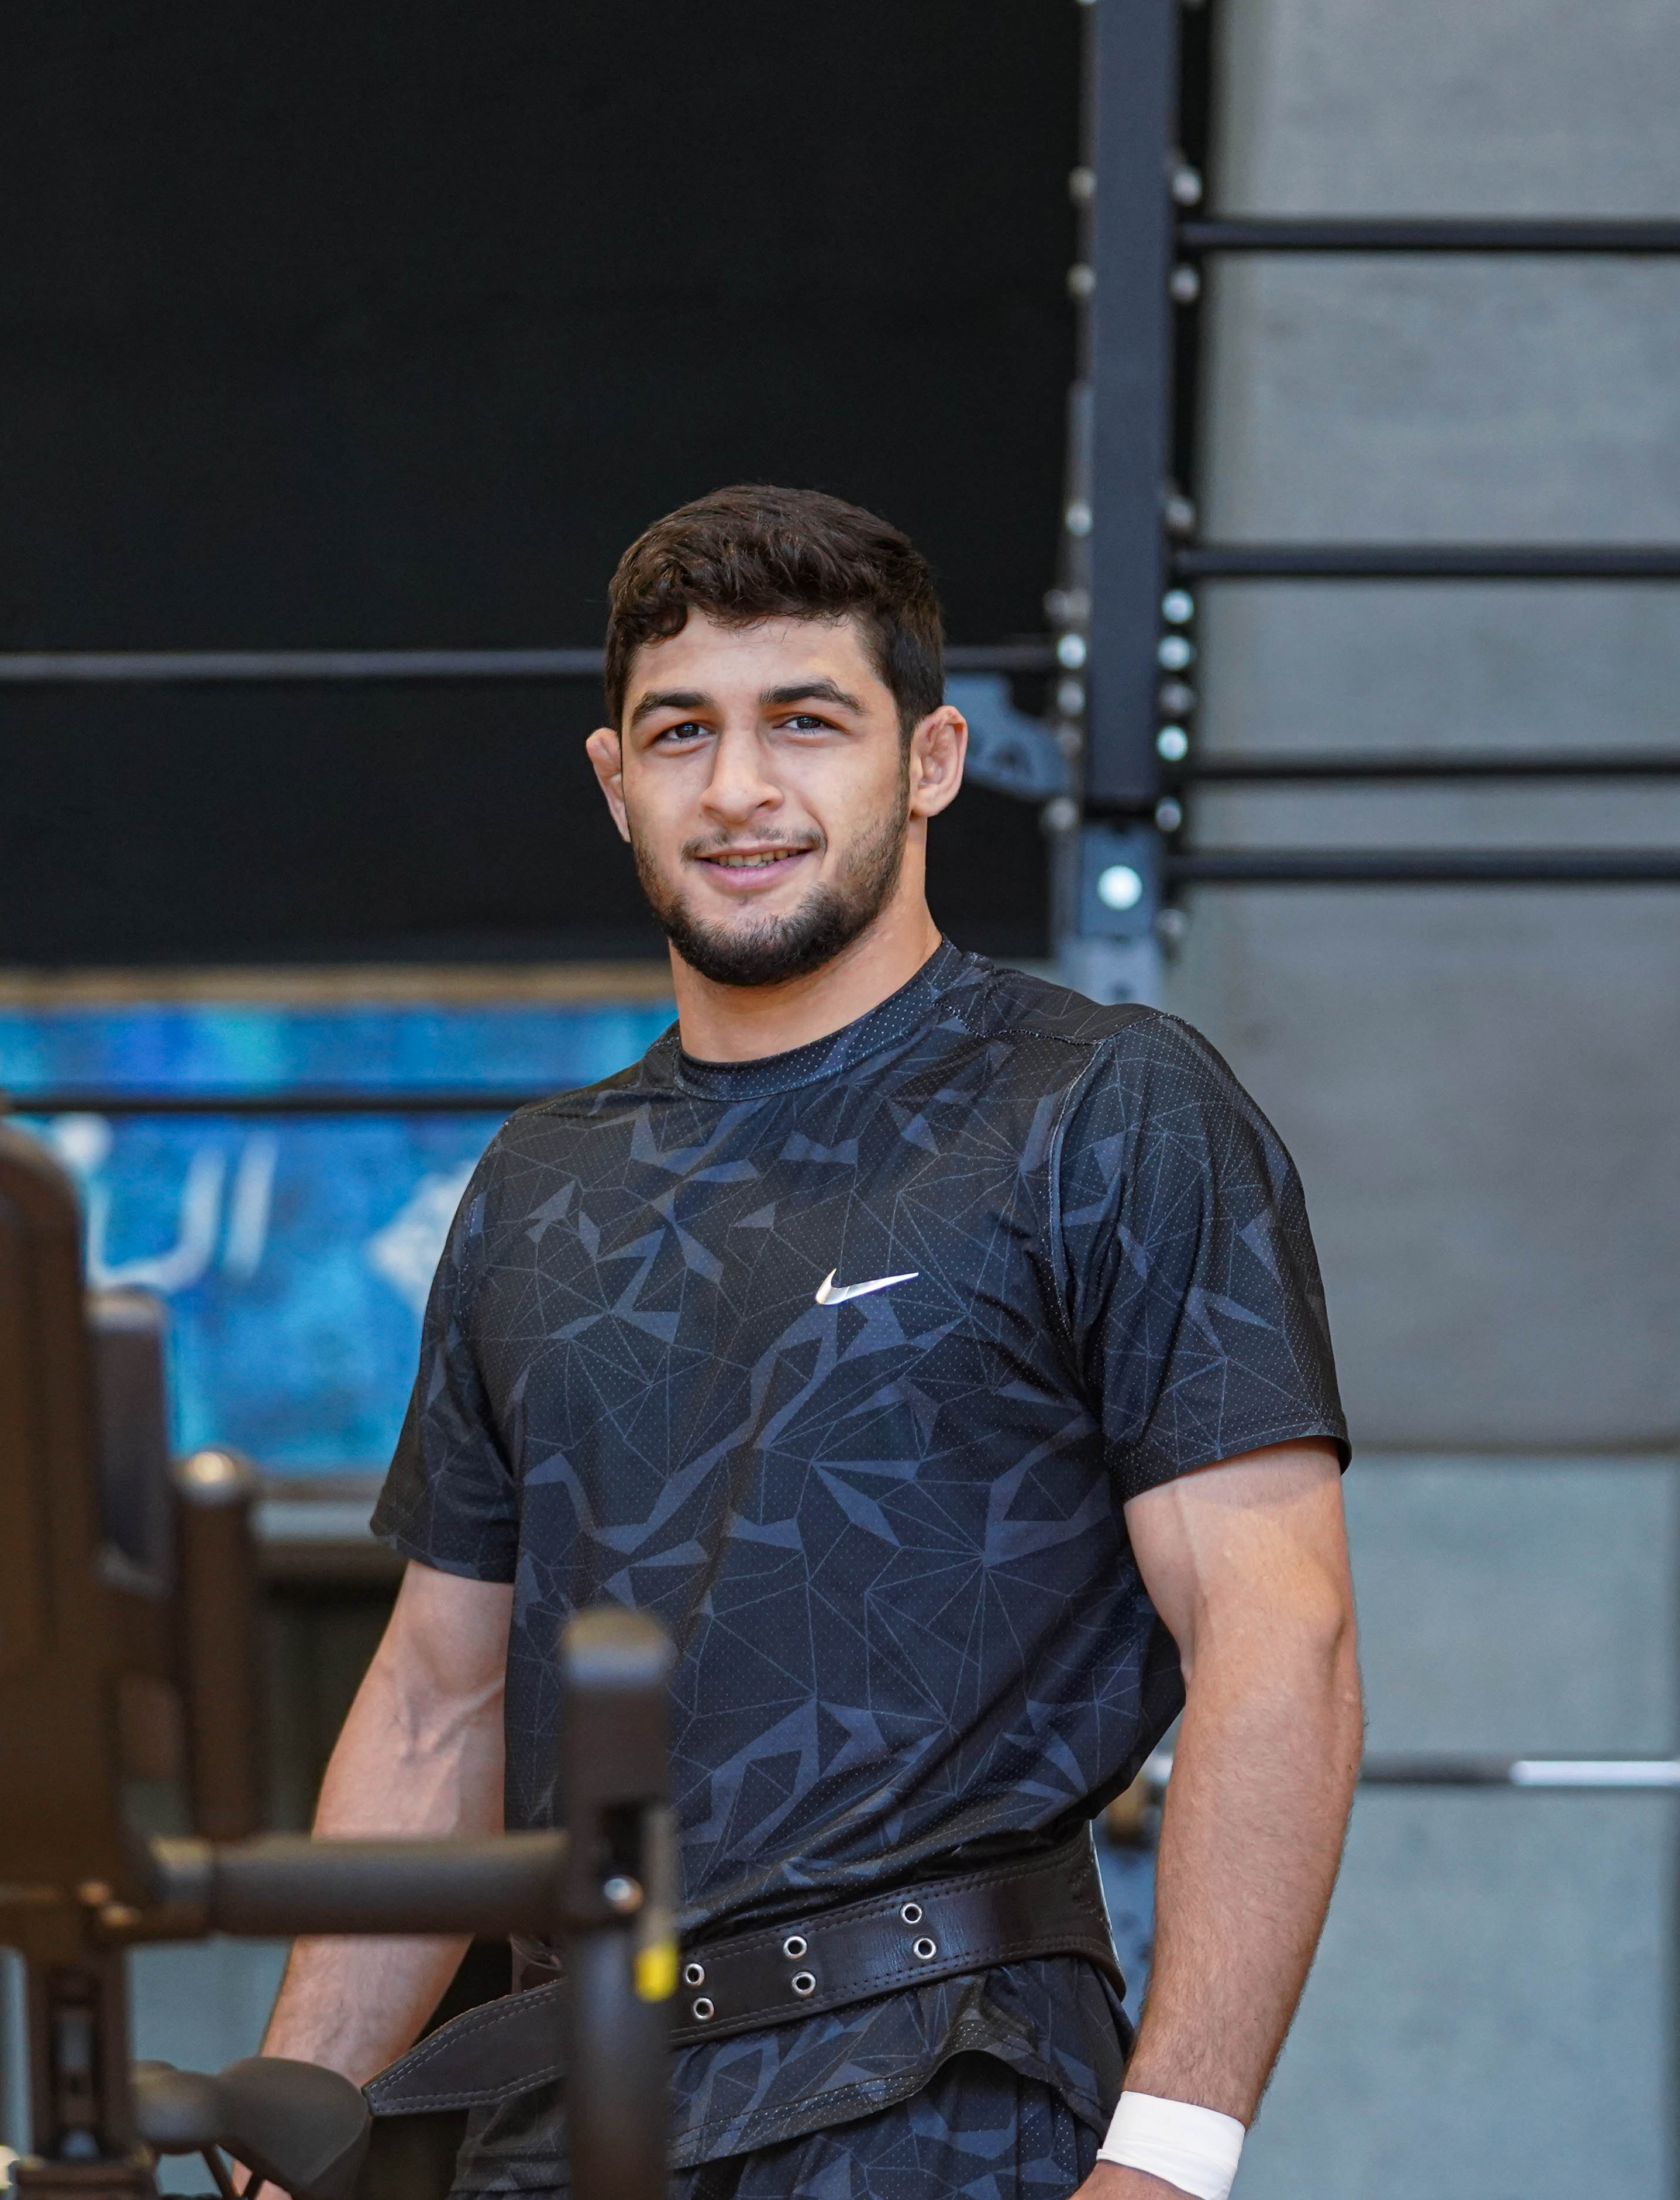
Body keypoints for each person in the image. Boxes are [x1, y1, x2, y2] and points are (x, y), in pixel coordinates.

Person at [260, 483, 1358, 2200]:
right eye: (681, 732)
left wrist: (1171, 2155)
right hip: (559, 2120)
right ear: (615, 781)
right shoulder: (538, 1183)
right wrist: (295, 2122)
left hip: (941, 2094)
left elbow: (1280, 1632)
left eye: (806, 723)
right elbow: (434, 1701)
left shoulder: (1103, 1105)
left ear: (929, 762)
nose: (739, 789)